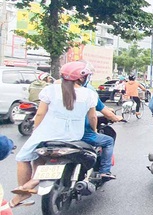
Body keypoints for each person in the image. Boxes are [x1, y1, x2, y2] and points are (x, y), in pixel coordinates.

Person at [11, 61, 99, 207]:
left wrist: (36, 131)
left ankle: (24, 191)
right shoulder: (90, 94)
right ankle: (33, 182)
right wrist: (94, 130)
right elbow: (92, 117)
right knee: (39, 157)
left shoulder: (50, 90)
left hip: (47, 134)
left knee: (23, 157)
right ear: (81, 78)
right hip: (73, 136)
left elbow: (40, 114)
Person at [82, 94, 123, 181]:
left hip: (52, 137)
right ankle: (104, 171)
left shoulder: (51, 92)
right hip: (82, 135)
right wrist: (94, 130)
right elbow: (93, 117)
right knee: (108, 141)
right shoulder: (87, 94)